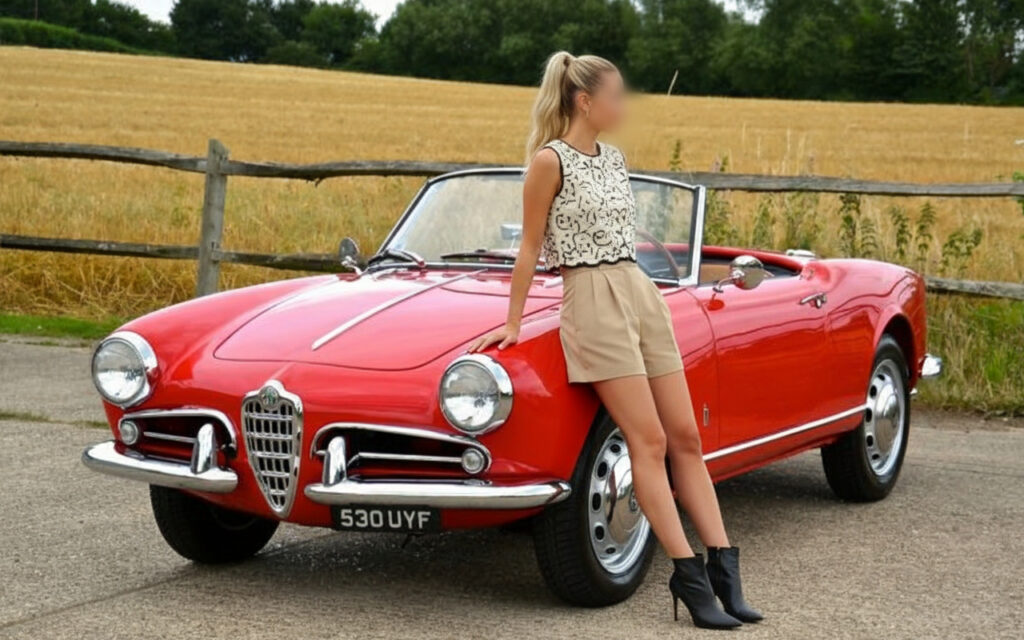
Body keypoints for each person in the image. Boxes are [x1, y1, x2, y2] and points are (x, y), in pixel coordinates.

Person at [467, 51, 762, 630]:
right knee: (646, 442)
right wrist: (513, 321)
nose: (623, 105)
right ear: (584, 101)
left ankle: (726, 567)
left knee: (686, 437)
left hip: (639, 291)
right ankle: (688, 574)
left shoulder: (614, 158)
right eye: (616, 95)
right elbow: (530, 247)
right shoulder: (548, 162)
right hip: (592, 299)